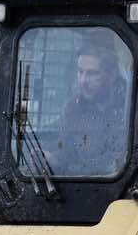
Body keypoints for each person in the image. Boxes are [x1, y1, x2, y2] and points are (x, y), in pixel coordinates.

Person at [52, 37, 130, 176]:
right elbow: (66, 153)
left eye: (92, 73)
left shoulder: (128, 105)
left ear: (111, 74)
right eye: (80, 72)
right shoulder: (73, 108)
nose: (83, 81)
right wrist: (51, 159)